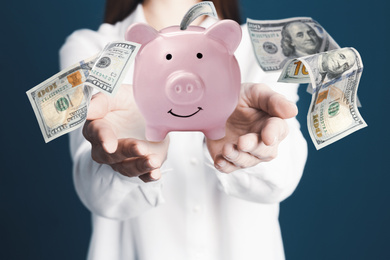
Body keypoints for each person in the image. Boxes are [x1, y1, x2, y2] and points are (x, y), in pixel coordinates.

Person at [59, 0, 308, 259]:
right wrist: (131, 146)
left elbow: (283, 178)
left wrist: (257, 146)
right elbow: (96, 195)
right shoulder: (92, 49)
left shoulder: (264, 48)